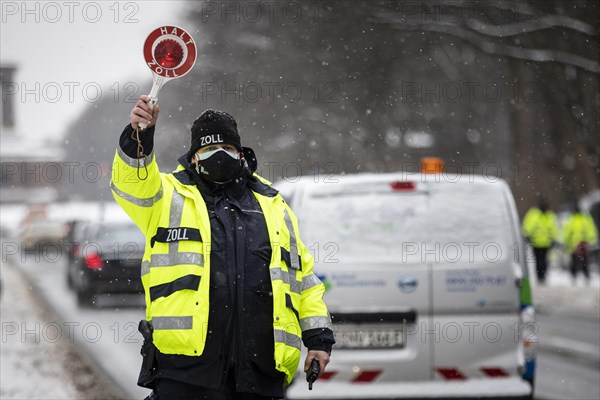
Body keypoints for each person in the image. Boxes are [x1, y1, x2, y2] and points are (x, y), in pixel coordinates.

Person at [110, 96, 335, 400]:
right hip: (185, 372)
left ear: (241, 155)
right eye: (208, 149)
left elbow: (302, 279)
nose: (220, 154)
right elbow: (131, 184)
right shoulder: (166, 198)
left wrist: (318, 339)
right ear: (193, 158)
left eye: (227, 148)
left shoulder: (272, 205)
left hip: (260, 373)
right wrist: (140, 136)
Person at [522, 197, 558, 285]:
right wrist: (526, 235)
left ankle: (543, 276)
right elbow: (527, 225)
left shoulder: (550, 215)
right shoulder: (534, 214)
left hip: (546, 243)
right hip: (536, 243)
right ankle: (540, 276)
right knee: (539, 260)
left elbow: (554, 228)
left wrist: (554, 239)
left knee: (544, 260)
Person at [562, 204, 598, 285]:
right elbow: (567, 232)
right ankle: (575, 276)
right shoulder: (581, 219)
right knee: (576, 262)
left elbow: (591, 230)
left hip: (582, 244)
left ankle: (585, 276)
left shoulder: (575, 219)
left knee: (583, 261)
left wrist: (590, 241)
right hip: (574, 245)